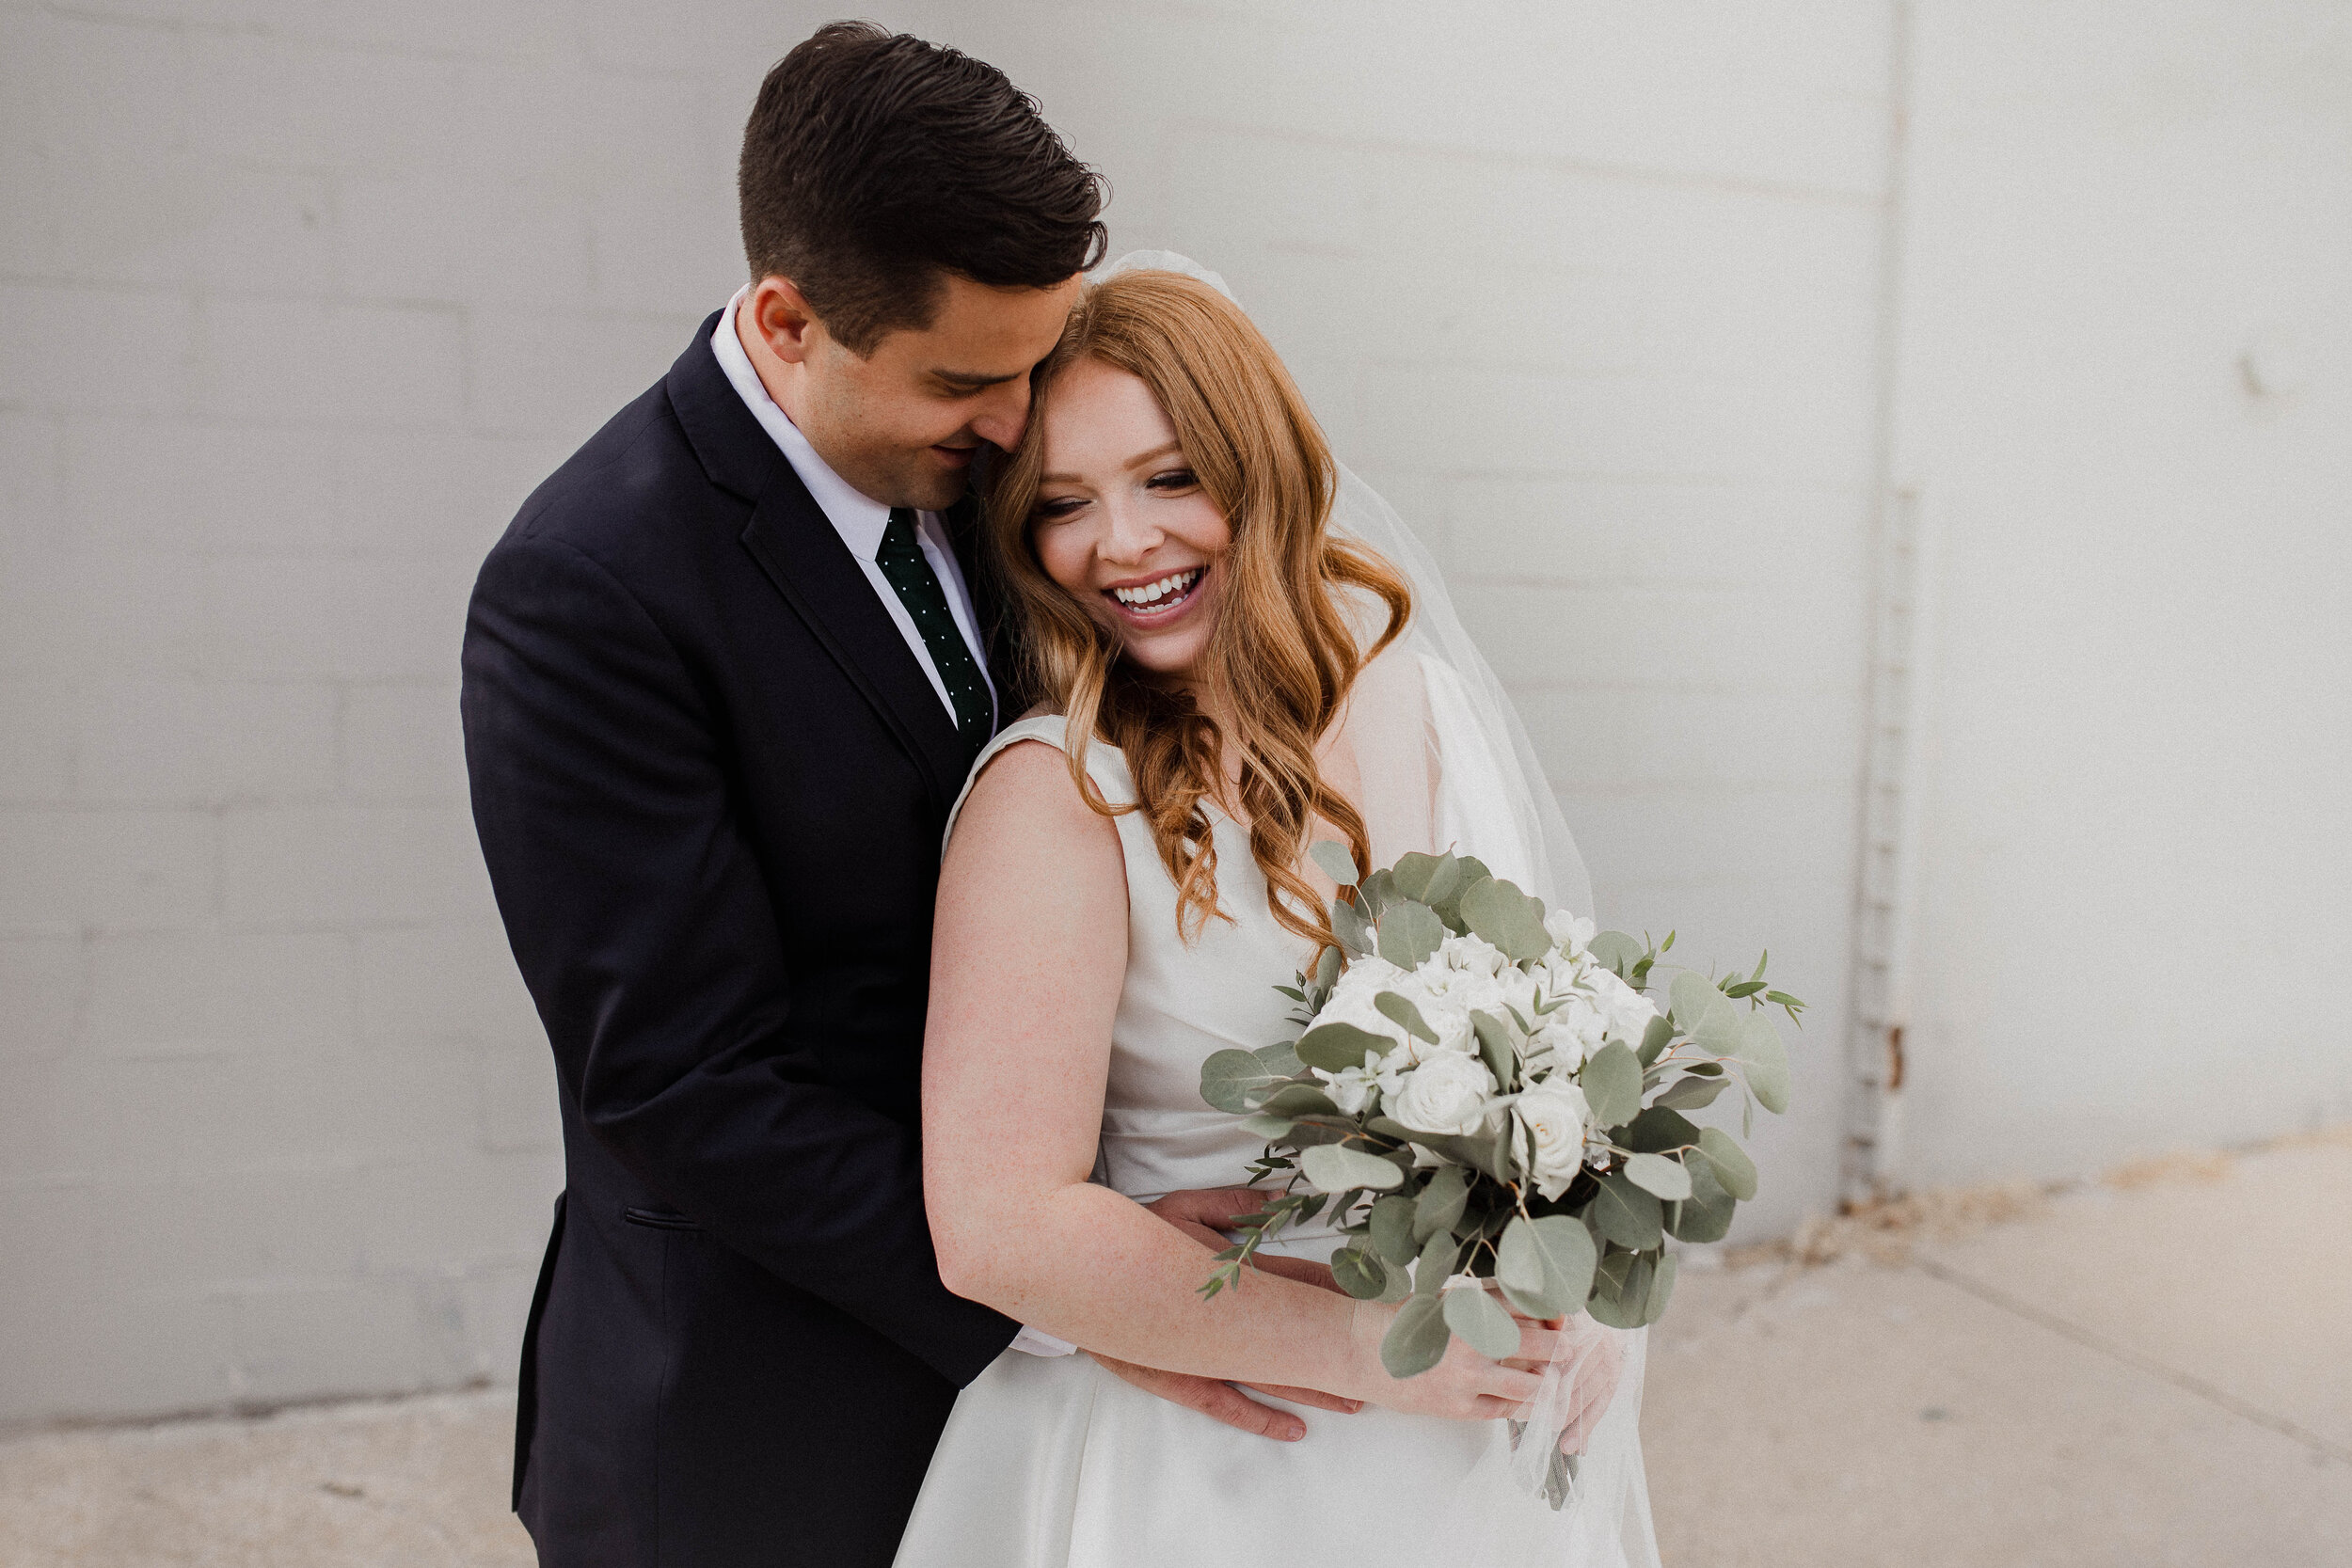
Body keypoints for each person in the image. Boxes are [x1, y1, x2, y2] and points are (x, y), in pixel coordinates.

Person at [461, 29, 1331, 1568]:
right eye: (968, 381)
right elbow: (683, 1085)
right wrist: (1060, 1288)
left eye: (1033, 368)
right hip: (757, 1407)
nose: (1018, 426)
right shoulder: (590, 588)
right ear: (789, 322)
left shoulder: (1001, 486)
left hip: (1059, 1414)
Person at [898, 261, 1658, 1564]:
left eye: (1171, 477)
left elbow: (1546, 1050)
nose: (1122, 543)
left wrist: (1578, 1275)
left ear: (1264, 469)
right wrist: (1369, 1351)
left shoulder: (1414, 699)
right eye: (1065, 505)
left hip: (1461, 1440)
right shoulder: (1059, 795)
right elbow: (997, 1226)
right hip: (1210, 1457)